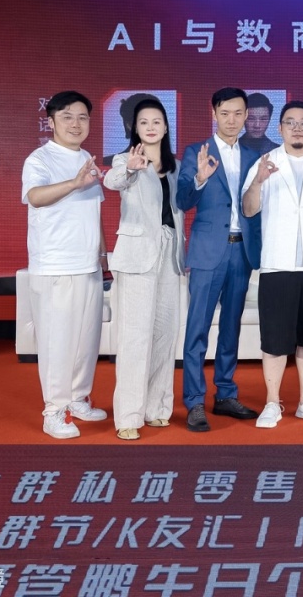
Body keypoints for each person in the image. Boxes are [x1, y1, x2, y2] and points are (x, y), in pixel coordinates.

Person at [241, 100, 303, 428]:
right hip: (277, 263)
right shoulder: (265, 162)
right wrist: (258, 181)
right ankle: (272, 402)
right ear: (280, 128)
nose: (297, 128)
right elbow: (249, 209)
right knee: (275, 338)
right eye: (290, 122)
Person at [21, 91, 108, 439]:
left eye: (83, 117)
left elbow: (95, 211)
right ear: (51, 121)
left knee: (86, 339)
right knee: (57, 342)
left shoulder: (87, 157)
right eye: (67, 117)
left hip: (88, 264)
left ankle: (77, 398)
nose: (76, 124)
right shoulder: (39, 159)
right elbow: (35, 197)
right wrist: (74, 183)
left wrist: (103, 256)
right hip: (55, 264)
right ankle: (54, 411)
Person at [176, 87, 263, 432]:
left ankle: (225, 394)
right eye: (225, 113)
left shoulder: (254, 156)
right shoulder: (196, 152)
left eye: (238, 113)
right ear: (213, 114)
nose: (232, 120)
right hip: (208, 252)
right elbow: (182, 200)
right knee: (197, 328)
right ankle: (194, 401)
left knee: (231, 327)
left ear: (246, 116)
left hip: (241, 251)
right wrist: (200, 177)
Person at [103, 97, 185, 441]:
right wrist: (131, 169)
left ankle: (157, 408)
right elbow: (112, 181)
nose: (151, 127)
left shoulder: (176, 165)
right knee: (135, 335)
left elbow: (181, 205)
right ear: (134, 129)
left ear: (166, 127)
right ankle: (128, 415)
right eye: (144, 122)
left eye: (157, 121)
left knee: (165, 333)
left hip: (170, 252)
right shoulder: (125, 160)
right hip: (138, 254)